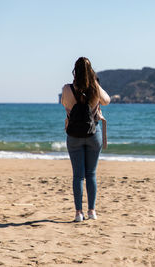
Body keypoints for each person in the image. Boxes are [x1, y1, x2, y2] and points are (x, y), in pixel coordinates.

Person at [61, 57, 110, 222]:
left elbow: (64, 104)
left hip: (74, 134)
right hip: (93, 133)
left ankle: (78, 213)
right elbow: (107, 101)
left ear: (75, 70)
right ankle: (92, 211)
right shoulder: (95, 88)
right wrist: (95, 83)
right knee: (91, 174)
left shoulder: (67, 89)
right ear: (91, 71)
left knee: (78, 176)